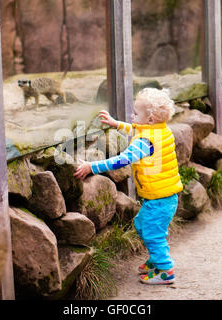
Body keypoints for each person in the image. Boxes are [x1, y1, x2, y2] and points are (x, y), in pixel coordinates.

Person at [74, 88, 183, 285]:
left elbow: (122, 160)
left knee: (152, 233)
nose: (132, 116)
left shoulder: (144, 142)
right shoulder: (160, 129)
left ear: (149, 119)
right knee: (142, 225)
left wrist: (91, 166)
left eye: (135, 113)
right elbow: (135, 128)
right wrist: (117, 124)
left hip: (160, 199)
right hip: (163, 197)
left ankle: (165, 270)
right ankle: (156, 261)